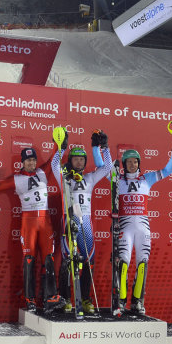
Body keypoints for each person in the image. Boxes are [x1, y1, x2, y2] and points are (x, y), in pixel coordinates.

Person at [0, 147, 66, 314]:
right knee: (29, 260)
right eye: (28, 160)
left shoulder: (42, 172)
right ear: (22, 162)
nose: (32, 163)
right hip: (29, 223)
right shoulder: (17, 178)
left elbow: (53, 159)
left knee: (49, 259)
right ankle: (30, 299)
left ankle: (49, 297)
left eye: (33, 160)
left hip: (45, 222)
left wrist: (60, 144)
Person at [114, 134, 172, 317]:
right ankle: (121, 301)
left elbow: (168, 170)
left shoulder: (147, 178)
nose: (132, 165)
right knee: (123, 264)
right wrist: (99, 147)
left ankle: (137, 302)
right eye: (129, 162)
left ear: (139, 163)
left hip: (143, 228)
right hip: (125, 227)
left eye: (135, 162)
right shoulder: (117, 179)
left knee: (142, 264)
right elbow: (101, 166)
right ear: (124, 164)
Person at [52, 129, 113, 314]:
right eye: (76, 159)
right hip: (69, 219)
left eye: (82, 159)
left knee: (89, 260)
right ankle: (65, 298)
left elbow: (108, 168)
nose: (79, 162)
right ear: (70, 161)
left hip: (85, 221)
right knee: (67, 259)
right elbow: (54, 164)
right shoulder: (63, 177)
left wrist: (104, 148)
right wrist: (61, 148)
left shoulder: (90, 178)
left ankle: (85, 299)